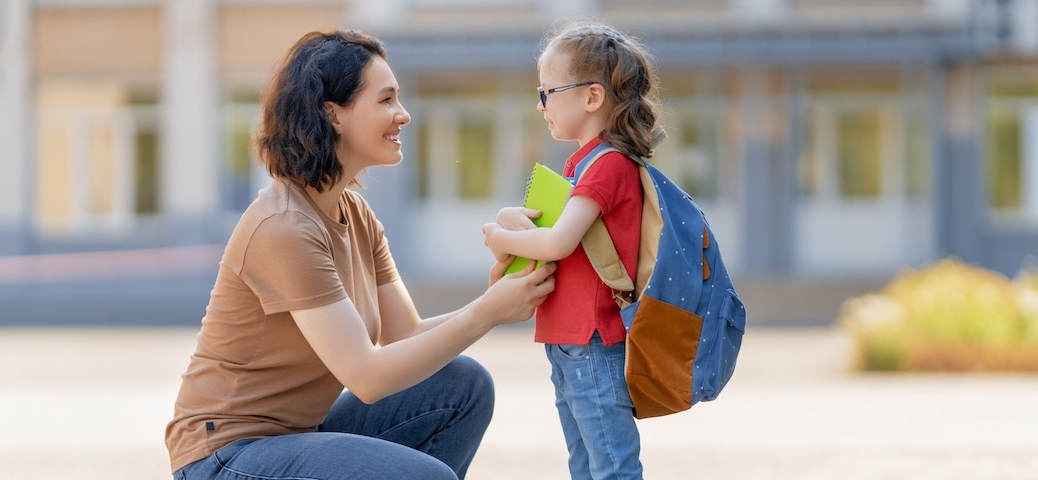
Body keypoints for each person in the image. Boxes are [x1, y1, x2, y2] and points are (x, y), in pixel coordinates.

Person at [165, 29, 556, 480]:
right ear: (333, 115)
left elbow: (404, 334)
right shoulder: (284, 227)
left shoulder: (354, 211)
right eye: (386, 100)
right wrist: (485, 314)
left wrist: (497, 298)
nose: (403, 115)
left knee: (462, 384)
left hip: (296, 436)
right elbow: (367, 377)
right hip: (225, 457)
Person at [481, 21, 665, 480]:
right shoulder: (582, 162)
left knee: (610, 466)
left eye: (547, 92)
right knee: (584, 462)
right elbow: (554, 229)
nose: (539, 104)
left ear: (592, 97)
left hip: (592, 340)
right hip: (570, 340)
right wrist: (511, 219)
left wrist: (501, 239)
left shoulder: (607, 165)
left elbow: (558, 241)